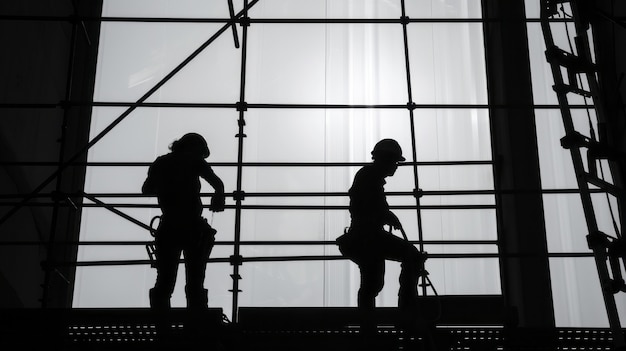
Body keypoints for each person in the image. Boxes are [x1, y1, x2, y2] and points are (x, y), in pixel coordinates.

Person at [337, 138, 426, 327]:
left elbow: (364, 204)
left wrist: (386, 215)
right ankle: (405, 312)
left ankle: (370, 322)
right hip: (368, 237)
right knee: (406, 261)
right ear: (385, 159)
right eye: (394, 162)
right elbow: (366, 205)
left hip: (367, 237)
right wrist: (385, 215)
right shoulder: (368, 176)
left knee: (373, 282)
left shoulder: (369, 177)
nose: (396, 167)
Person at [142, 133, 225, 311]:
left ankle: (162, 326)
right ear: (195, 149)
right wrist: (218, 198)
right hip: (192, 227)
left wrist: (167, 186)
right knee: (195, 281)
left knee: (164, 282)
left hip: (169, 226)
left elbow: (147, 189)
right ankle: (196, 327)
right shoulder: (194, 160)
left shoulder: (162, 162)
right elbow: (217, 183)